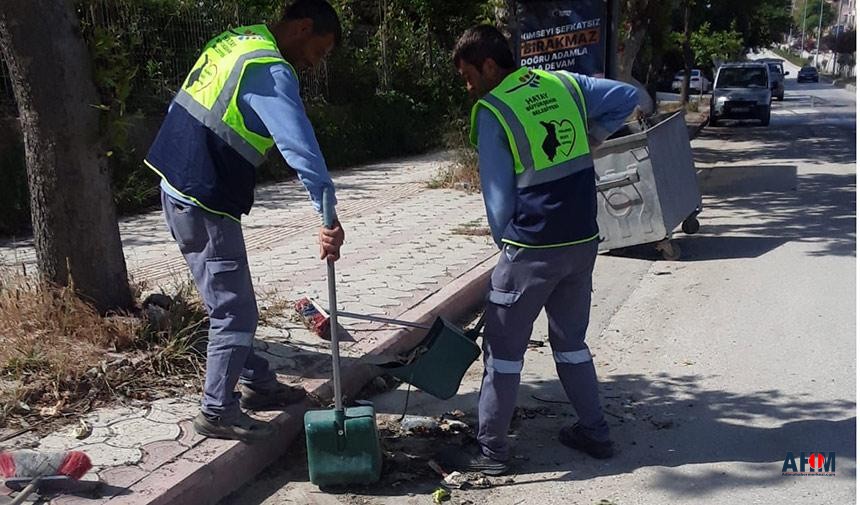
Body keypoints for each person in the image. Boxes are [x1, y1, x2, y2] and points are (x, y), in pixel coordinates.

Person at [440, 25, 640, 474]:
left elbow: (498, 203)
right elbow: (629, 98)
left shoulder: (493, 110)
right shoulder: (563, 83)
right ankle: (595, 431)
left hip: (531, 248)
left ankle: (492, 452)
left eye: (469, 76)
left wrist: (508, 253)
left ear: (489, 65)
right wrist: (593, 139)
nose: (469, 88)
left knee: (503, 351)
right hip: (582, 241)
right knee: (571, 343)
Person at [144, 0, 345, 443]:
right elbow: (302, 149)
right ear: (303, 28)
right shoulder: (271, 69)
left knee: (227, 305)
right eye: (321, 50)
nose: (316, 63)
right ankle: (216, 410)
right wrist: (328, 217)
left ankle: (257, 381)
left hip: (175, 182)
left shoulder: (238, 39)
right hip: (204, 194)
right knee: (235, 311)